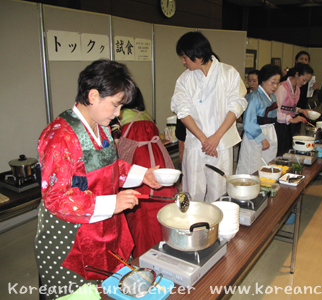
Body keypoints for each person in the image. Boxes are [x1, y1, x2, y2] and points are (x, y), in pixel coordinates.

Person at [34, 59, 161, 299]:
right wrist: (112, 203)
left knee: (107, 291)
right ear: (93, 96)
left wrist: (143, 174)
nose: (118, 114)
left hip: (102, 231)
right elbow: (56, 198)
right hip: (69, 241)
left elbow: (110, 167)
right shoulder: (61, 136)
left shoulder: (100, 127)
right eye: (115, 105)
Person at [171, 31, 247, 202]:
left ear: (197, 56)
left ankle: (216, 229)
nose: (183, 62)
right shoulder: (184, 79)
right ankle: (194, 228)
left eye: (185, 57)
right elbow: (182, 111)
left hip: (221, 144)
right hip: (196, 144)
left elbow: (236, 106)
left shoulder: (228, 73)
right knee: (193, 190)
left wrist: (215, 137)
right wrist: (205, 139)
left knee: (219, 190)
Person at [116, 87, 177, 257]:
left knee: (140, 213)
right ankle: (169, 248)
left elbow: (119, 147)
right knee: (162, 206)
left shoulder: (120, 117)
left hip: (137, 164)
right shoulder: (146, 115)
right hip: (158, 161)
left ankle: (144, 256)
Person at [236, 64, 281, 174]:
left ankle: (265, 188)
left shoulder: (272, 96)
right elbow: (249, 123)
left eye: (277, 83)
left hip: (269, 130)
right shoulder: (254, 97)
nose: (275, 86)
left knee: (267, 164)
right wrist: (262, 139)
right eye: (272, 82)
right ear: (263, 80)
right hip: (255, 136)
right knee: (252, 165)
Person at [275, 63, 314, 156]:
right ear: (296, 74)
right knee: (281, 152)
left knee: (289, 151)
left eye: (307, 81)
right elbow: (276, 110)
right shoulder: (282, 88)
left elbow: (290, 107)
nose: (304, 83)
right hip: (280, 126)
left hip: (289, 126)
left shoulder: (298, 89)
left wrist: (302, 111)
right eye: (303, 80)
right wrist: (291, 119)